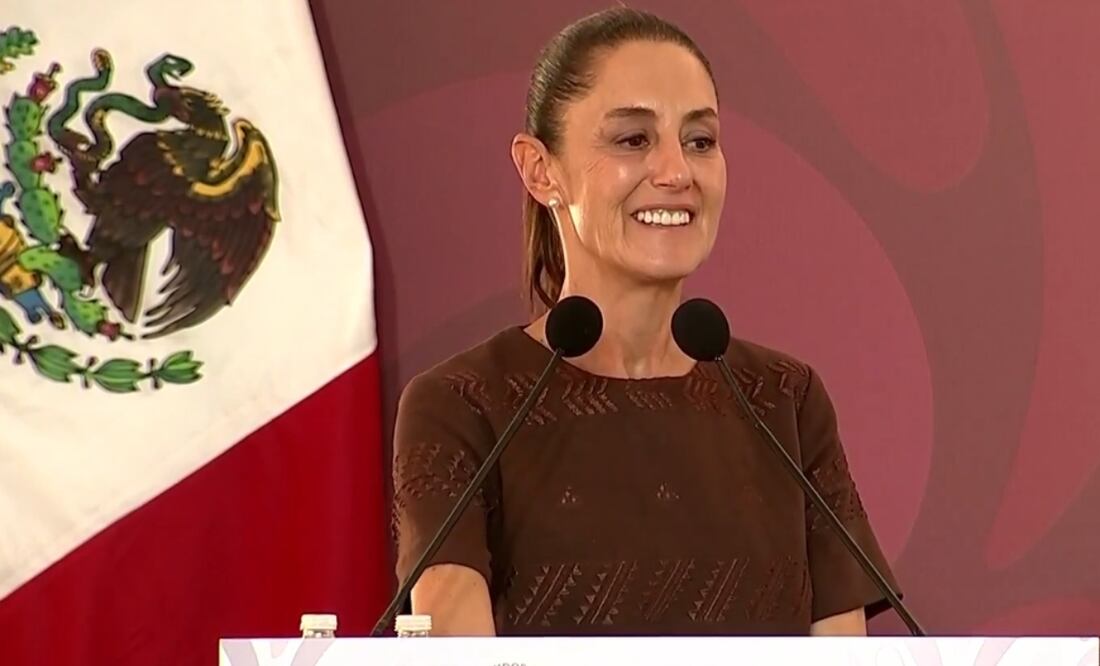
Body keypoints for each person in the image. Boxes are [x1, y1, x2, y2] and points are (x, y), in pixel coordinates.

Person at [390, 6, 898, 637]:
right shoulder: (462, 404)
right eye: (633, 139)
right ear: (539, 169)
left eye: (700, 140)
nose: (676, 172)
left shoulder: (785, 401)